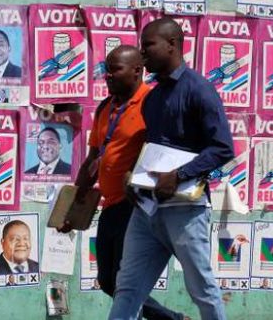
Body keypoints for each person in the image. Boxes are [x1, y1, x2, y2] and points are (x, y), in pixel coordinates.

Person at [108, 18, 233, 320]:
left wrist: (178, 175)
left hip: (185, 211)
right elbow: (153, 148)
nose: (142, 52)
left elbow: (223, 148)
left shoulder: (199, 90)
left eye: (148, 45)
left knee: (201, 288)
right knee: (127, 288)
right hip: (148, 210)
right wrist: (133, 178)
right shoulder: (153, 97)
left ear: (172, 45)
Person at [62, 45, 185, 320]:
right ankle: (172, 319)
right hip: (110, 206)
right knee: (108, 280)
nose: (108, 76)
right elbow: (93, 158)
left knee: (124, 280)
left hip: (137, 207)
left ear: (137, 71)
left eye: (115, 69)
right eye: (106, 70)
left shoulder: (152, 104)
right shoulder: (105, 107)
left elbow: (165, 152)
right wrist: (73, 206)